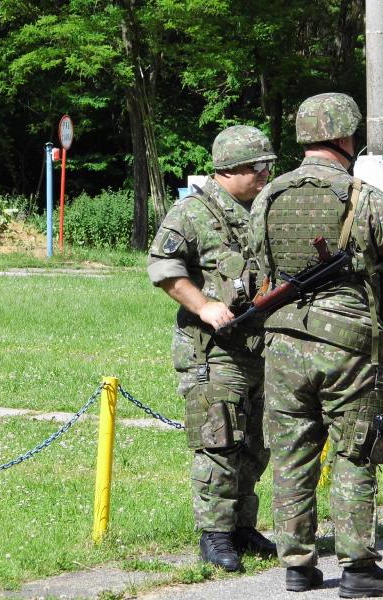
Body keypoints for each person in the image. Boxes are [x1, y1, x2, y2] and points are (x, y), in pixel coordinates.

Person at [250, 93, 383, 597]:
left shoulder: (266, 198)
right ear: (347, 137)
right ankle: (358, 569)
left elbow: (255, 265)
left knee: (291, 453)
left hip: (282, 343)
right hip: (347, 347)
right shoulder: (363, 197)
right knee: (355, 450)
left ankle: (297, 566)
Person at [148, 125, 278, 572]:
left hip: (259, 346)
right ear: (228, 170)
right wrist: (203, 305)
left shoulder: (263, 209)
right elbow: (162, 267)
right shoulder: (192, 212)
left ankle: (243, 527)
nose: (264, 174)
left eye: (268, 166)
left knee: (256, 443)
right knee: (220, 441)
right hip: (213, 349)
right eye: (257, 167)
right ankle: (215, 534)